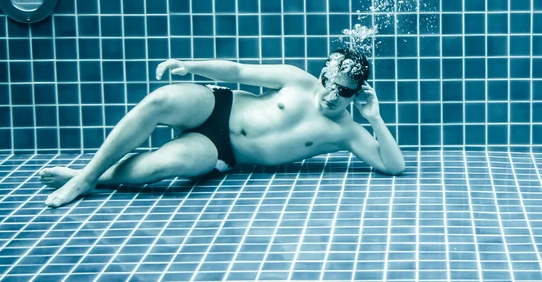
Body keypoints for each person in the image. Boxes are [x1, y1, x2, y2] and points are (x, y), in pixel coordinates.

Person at [40, 49, 405, 208]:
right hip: (220, 104)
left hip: (220, 151)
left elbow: (394, 165)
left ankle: (91, 179)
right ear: (323, 72)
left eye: (343, 90)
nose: (330, 93)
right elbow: (240, 72)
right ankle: (85, 176)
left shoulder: (347, 131)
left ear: (356, 94)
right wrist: (191, 65)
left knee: (160, 167)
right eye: (329, 80)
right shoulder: (297, 80)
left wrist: (373, 117)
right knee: (160, 101)